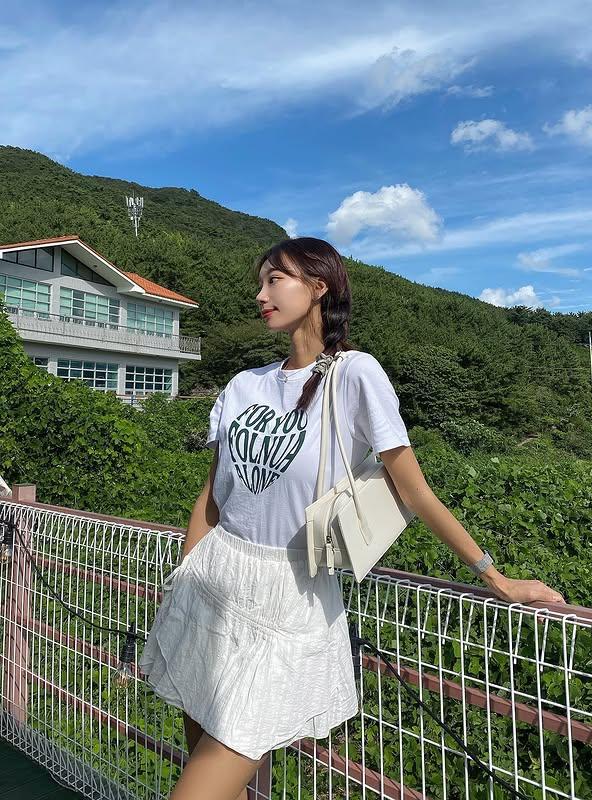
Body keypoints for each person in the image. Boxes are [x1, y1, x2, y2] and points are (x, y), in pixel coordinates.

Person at [139, 237, 565, 800]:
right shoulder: (245, 385)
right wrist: (185, 575)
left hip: (288, 596)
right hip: (210, 581)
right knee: (212, 764)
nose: (260, 295)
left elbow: (414, 491)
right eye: (260, 282)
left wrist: (494, 576)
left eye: (275, 280)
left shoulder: (356, 374)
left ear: (319, 287)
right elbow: (211, 499)